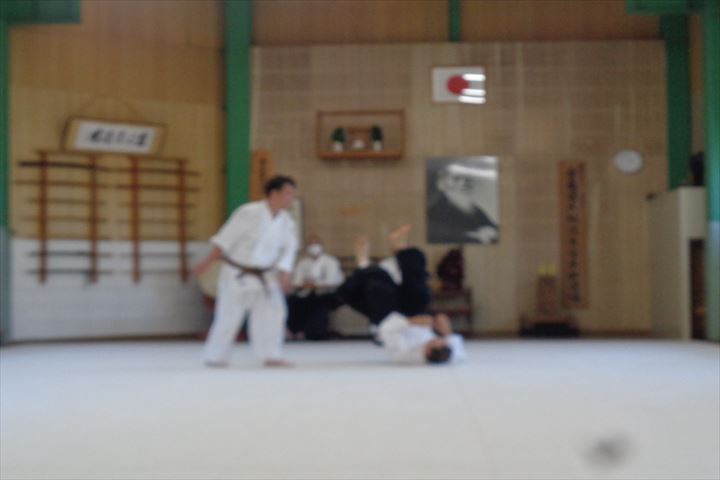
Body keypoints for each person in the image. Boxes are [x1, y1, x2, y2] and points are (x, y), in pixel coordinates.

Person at [193, 175, 299, 368]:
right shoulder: (248, 212)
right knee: (229, 315)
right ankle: (216, 356)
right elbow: (225, 240)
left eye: (292, 194)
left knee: (274, 312)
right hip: (238, 272)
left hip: (266, 275)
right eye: (287, 193)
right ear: (274, 194)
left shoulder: (286, 221)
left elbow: (289, 250)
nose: (291, 198)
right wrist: (207, 262)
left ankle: (271, 355)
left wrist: (285, 275)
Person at [336, 225, 466, 364]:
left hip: (388, 318)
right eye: (441, 341)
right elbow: (453, 342)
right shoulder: (450, 351)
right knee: (420, 293)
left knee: (378, 289)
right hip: (413, 312)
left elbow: (385, 331)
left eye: (435, 342)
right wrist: (446, 330)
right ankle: (400, 247)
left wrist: (409, 322)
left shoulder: (406, 355)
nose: (437, 339)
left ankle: (363, 262)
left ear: (428, 351)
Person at [286, 234, 344, 340]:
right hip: (306, 292)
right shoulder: (303, 263)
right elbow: (296, 281)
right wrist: (305, 284)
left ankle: (317, 332)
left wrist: (315, 284)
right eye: (311, 244)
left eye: (316, 244)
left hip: (327, 293)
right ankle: (295, 330)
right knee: (292, 300)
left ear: (322, 246)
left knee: (318, 302)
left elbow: (332, 281)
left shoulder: (331, 261)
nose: (313, 247)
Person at [427, 162, 499, 244]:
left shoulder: (473, 209)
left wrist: (493, 231)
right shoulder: (433, 212)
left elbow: (491, 227)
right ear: (441, 183)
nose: (463, 182)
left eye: (466, 178)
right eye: (456, 179)